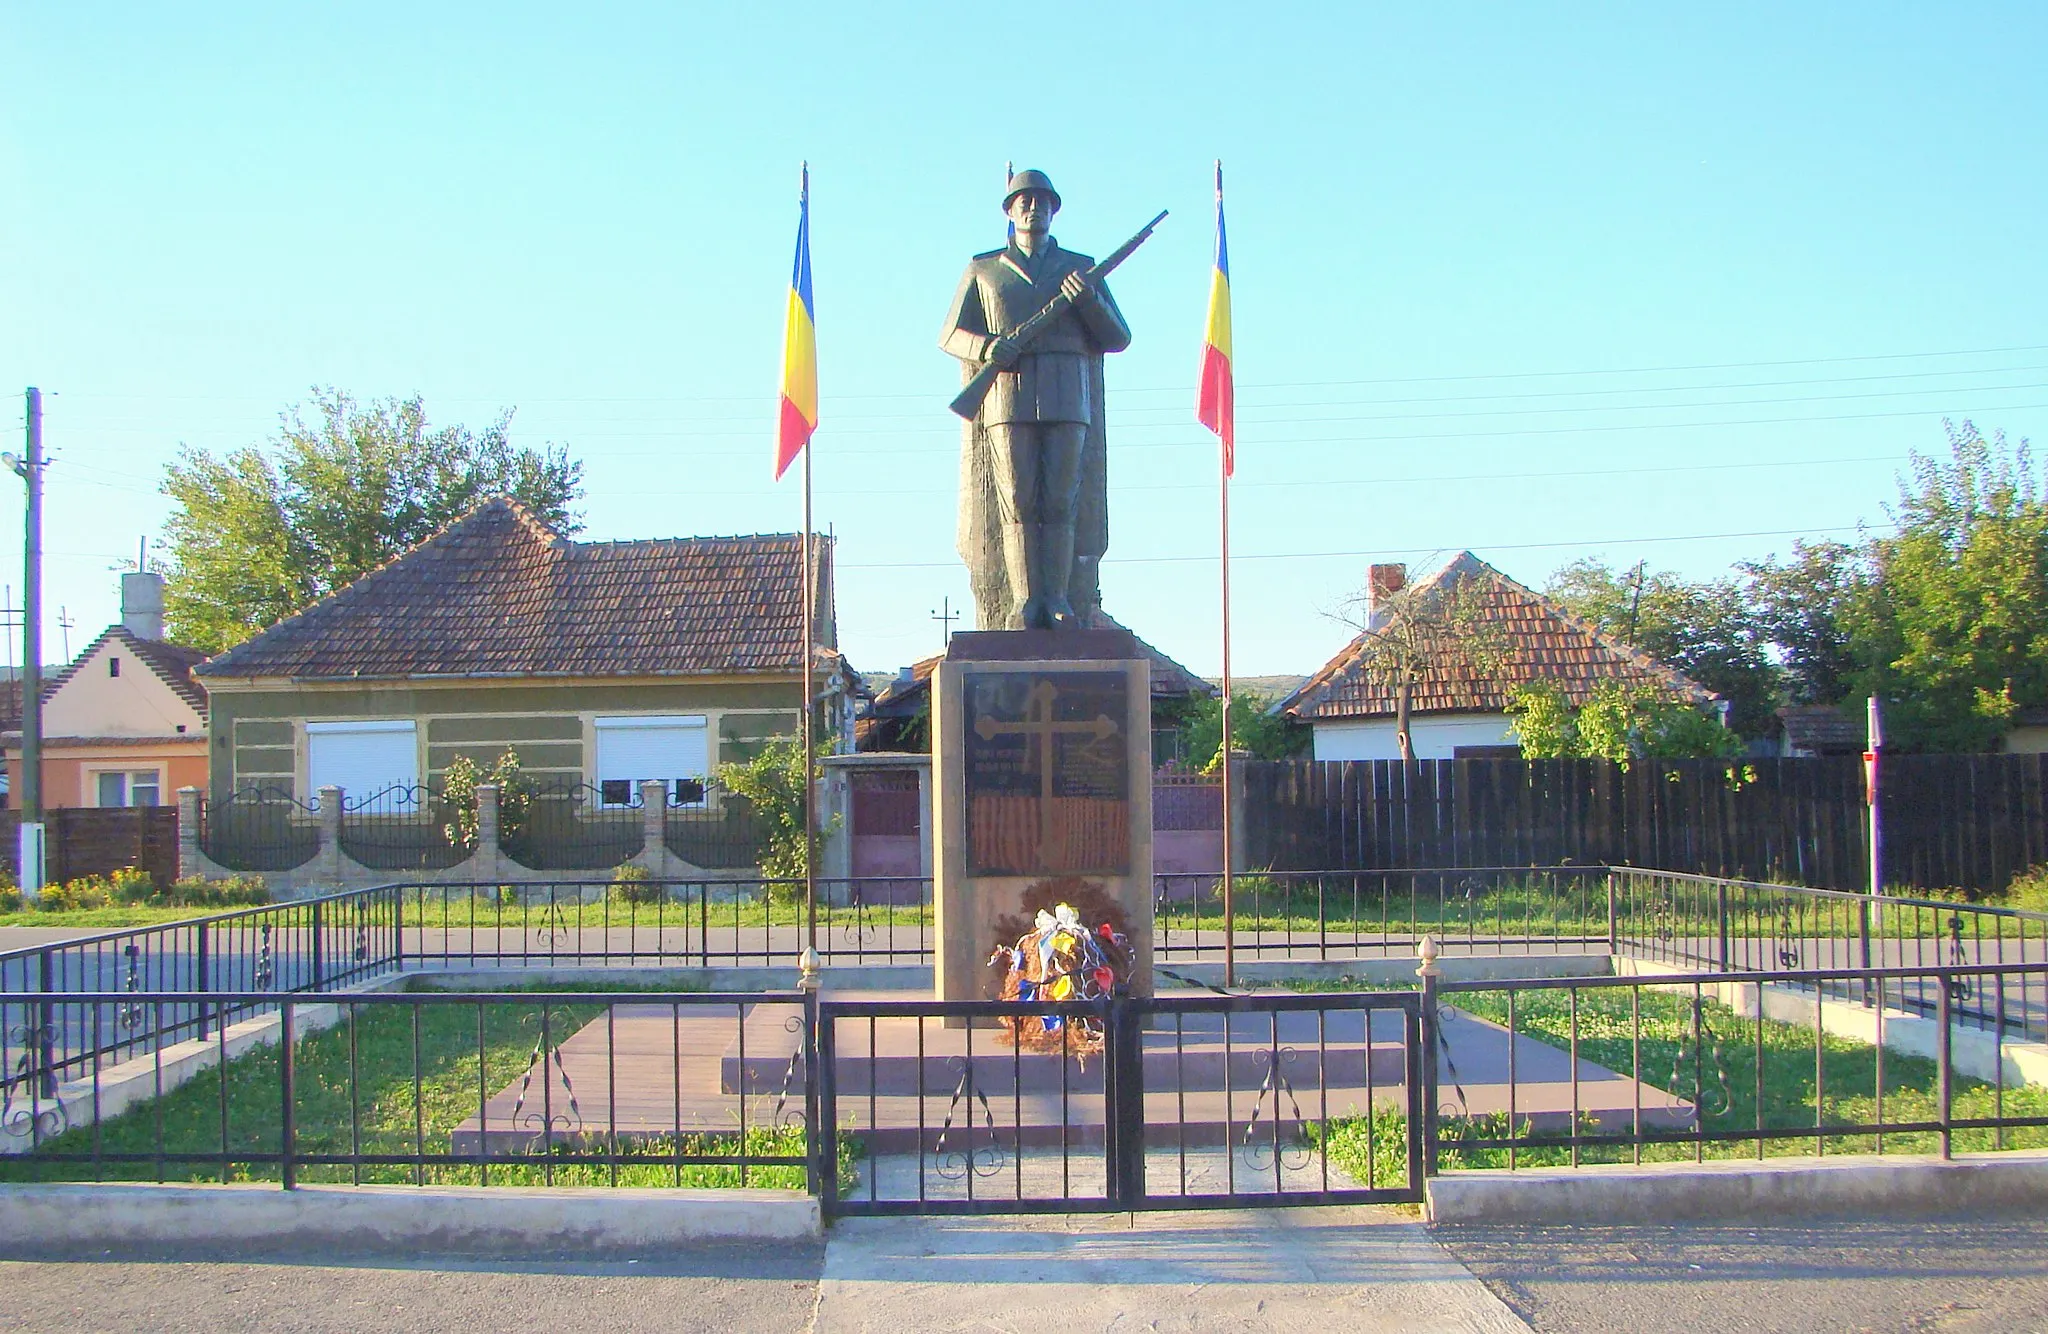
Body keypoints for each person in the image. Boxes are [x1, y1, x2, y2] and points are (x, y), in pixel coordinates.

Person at [941, 170, 1131, 629]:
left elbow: (1117, 337)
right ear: (1009, 211)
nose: (1033, 208)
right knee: (1018, 501)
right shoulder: (982, 269)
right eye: (1024, 201)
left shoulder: (1079, 268)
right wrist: (987, 348)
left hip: (1068, 393)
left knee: (1061, 500)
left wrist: (1087, 300)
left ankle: (1060, 599)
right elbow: (950, 334)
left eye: (1042, 202)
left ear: (1053, 210)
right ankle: (1025, 601)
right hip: (1008, 395)